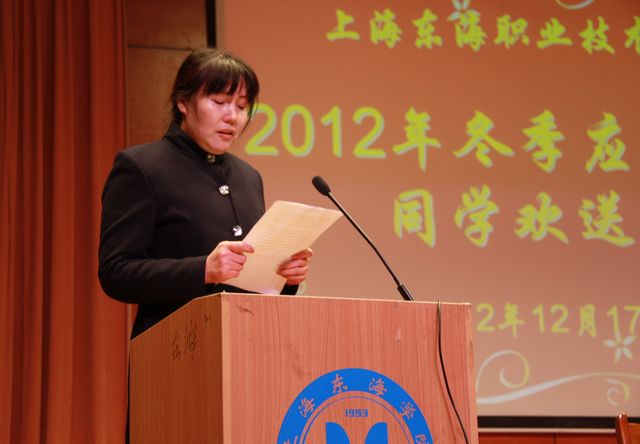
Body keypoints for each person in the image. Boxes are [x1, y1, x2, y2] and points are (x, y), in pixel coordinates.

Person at [99, 48, 312, 338]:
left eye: (242, 106)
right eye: (219, 102)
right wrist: (203, 270)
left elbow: (252, 281)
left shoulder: (248, 176)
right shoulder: (142, 167)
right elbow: (116, 273)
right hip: (176, 345)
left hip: (250, 340)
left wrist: (285, 277)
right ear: (183, 102)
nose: (232, 116)